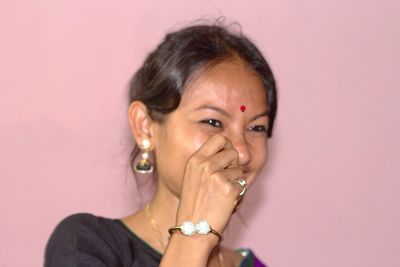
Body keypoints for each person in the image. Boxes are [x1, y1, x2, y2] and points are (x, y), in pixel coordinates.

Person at [44, 20, 277, 267]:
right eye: (212, 121)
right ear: (145, 126)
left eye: (256, 127)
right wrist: (196, 235)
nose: (241, 152)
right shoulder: (86, 245)